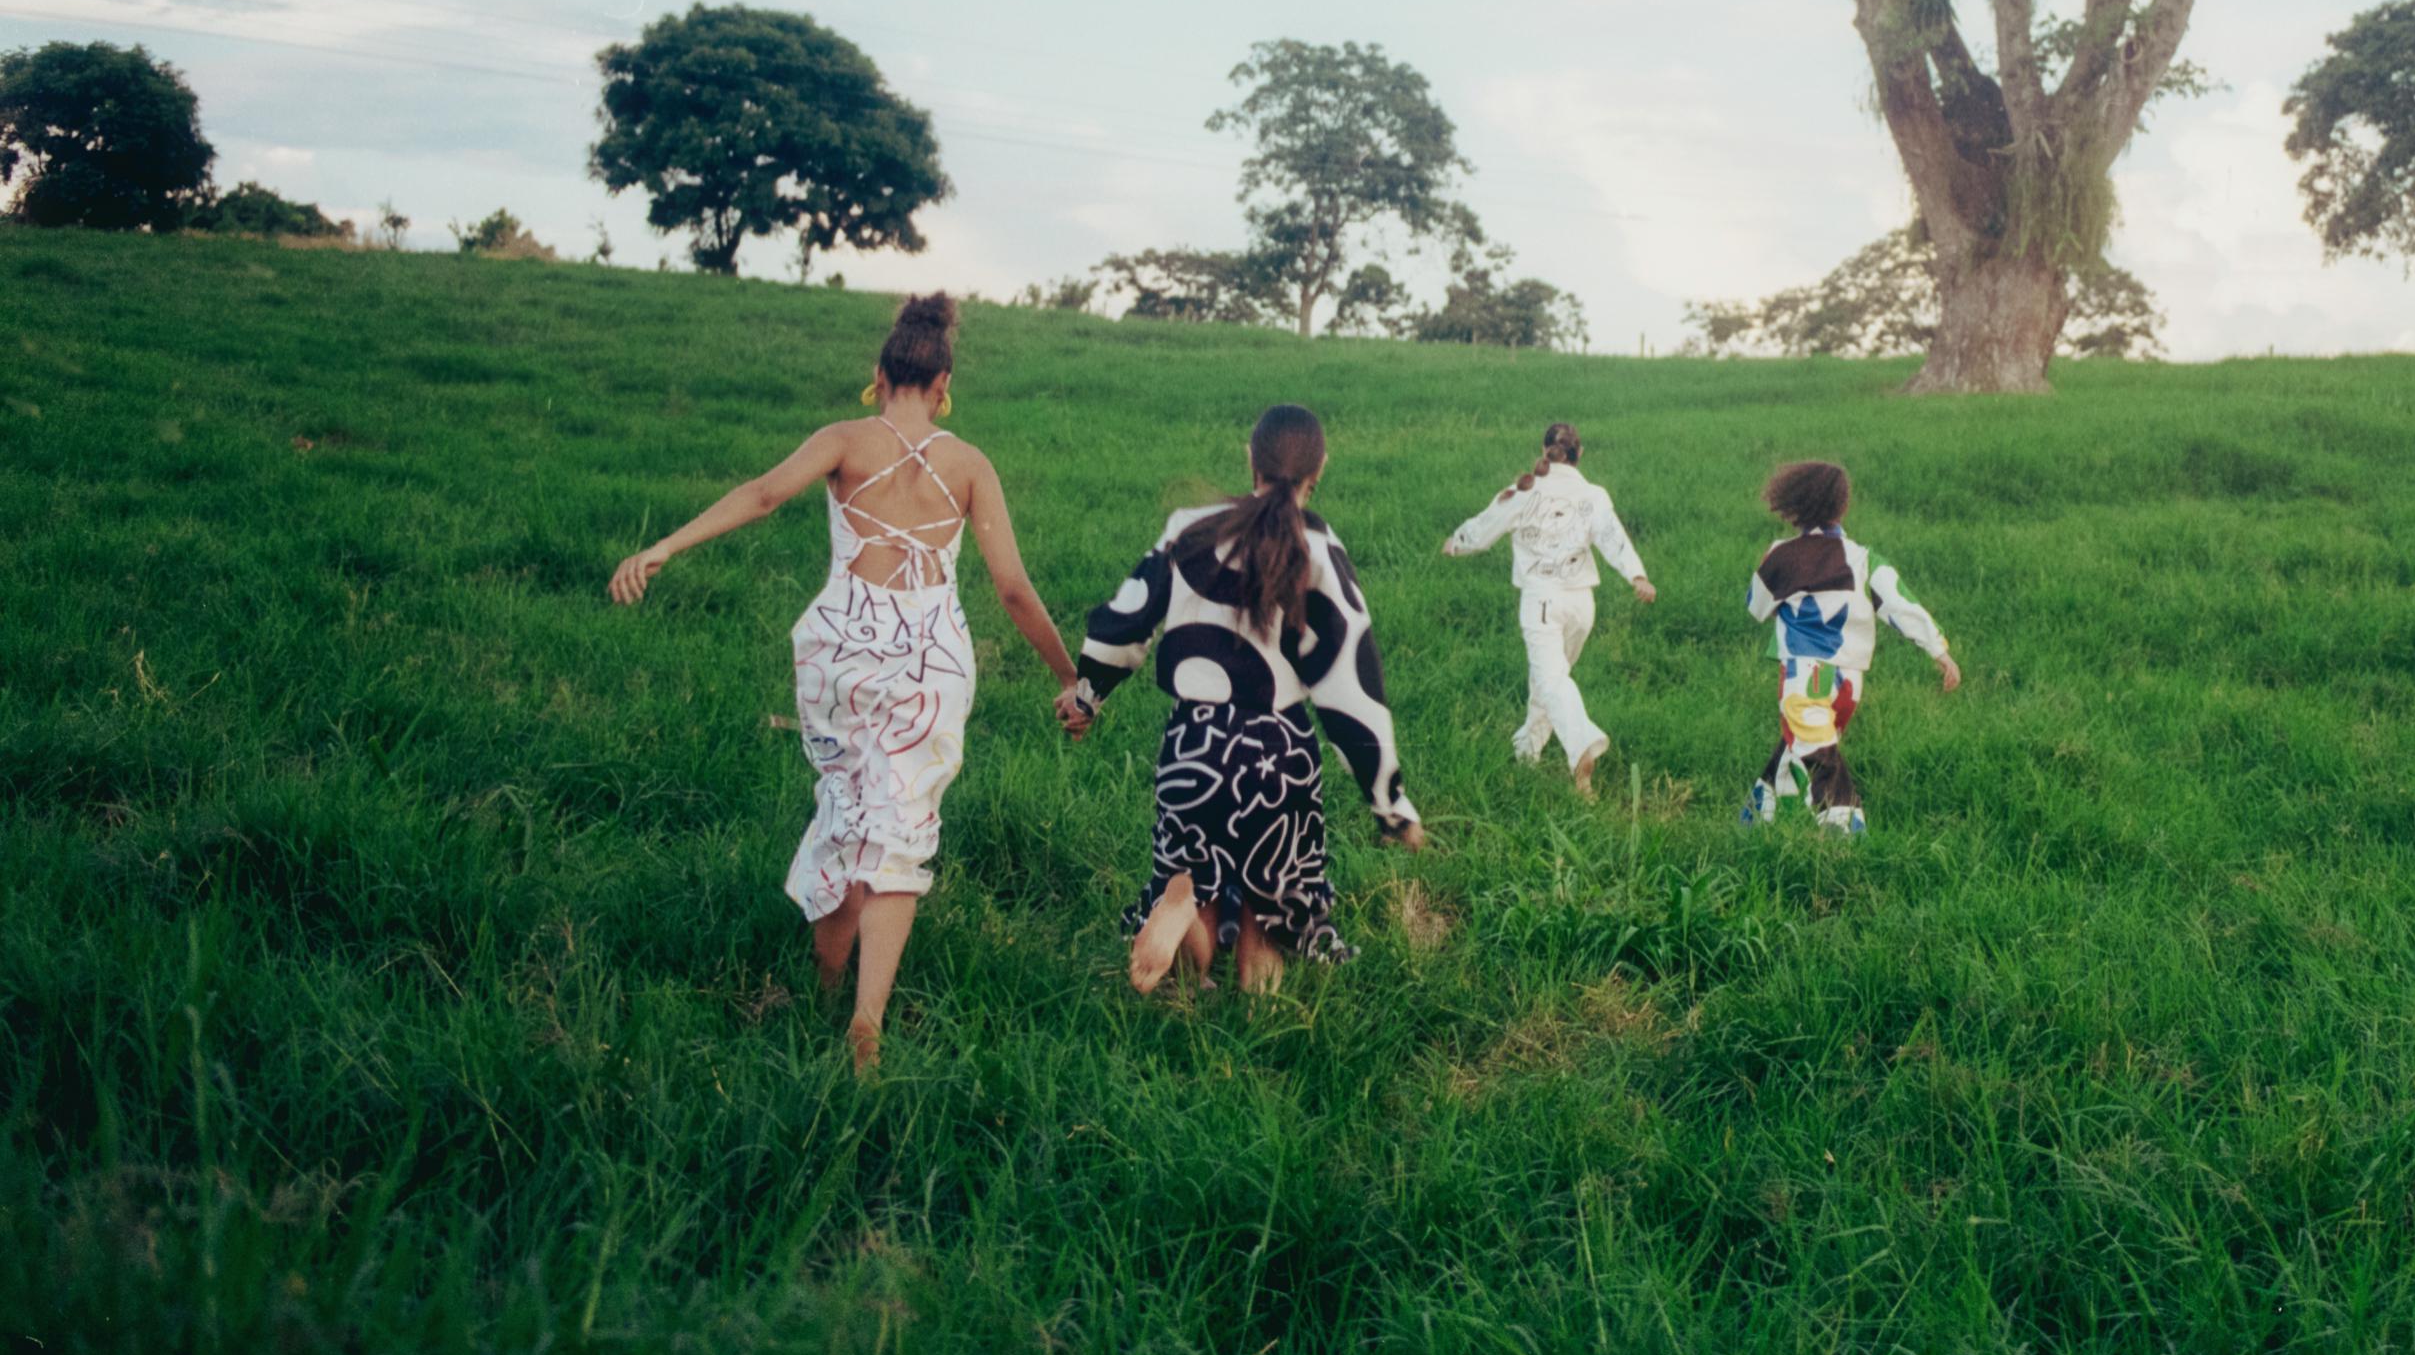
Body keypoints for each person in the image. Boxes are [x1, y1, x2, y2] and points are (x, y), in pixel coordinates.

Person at [606, 292, 1078, 1070]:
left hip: (843, 651)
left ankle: (825, 986)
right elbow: (1013, 587)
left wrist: (663, 546)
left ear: (878, 373)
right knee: (903, 826)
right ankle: (867, 1021)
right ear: (943, 383)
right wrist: (1068, 677)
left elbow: (761, 496)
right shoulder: (969, 464)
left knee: (851, 808)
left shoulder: (844, 439)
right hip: (932, 660)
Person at [1062, 402, 1425, 995]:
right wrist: (1390, 803)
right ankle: (1261, 1020)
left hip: (1193, 744)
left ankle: (1182, 904)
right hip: (1277, 751)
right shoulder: (1317, 546)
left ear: (1248, 459)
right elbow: (1350, 684)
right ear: (1320, 469)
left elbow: (1123, 624)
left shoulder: (1190, 526)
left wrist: (1086, 696)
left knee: (1193, 871)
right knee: (1270, 910)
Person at [1738, 458, 1959, 834]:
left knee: (1819, 756)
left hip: (1803, 676)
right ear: (1843, 506)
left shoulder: (1781, 554)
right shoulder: (1865, 559)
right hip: (1850, 684)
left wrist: (1766, 567)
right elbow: (1902, 605)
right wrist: (1938, 649)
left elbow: (1756, 607)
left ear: (1791, 508)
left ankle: (1845, 836)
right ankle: (1761, 817)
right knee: (1803, 744)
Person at [1440, 418, 1655, 796]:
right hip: (1581, 605)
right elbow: (1612, 538)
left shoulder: (1524, 490)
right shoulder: (1594, 494)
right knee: (1550, 679)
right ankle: (1527, 750)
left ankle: (1582, 744)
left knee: (1552, 679)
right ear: (1579, 454)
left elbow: (1487, 524)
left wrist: (1457, 541)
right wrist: (1636, 576)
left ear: (1544, 451)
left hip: (1541, 600)